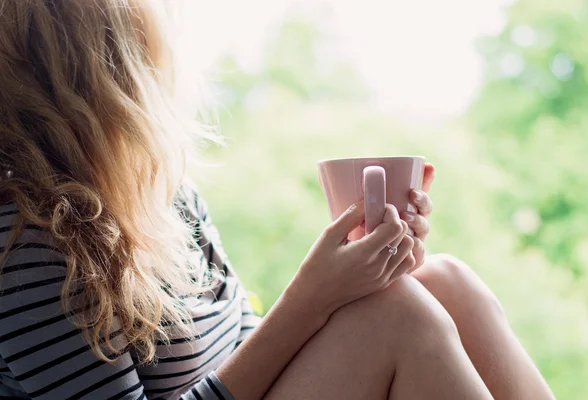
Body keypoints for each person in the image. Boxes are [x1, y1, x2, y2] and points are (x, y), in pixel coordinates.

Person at [0, 0, 555, 399]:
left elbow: (248, 349)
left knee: (441, 280)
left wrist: (354, 273)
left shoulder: (163, 194)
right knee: (400, 315)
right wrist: (311, 298)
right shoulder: (28, 245)